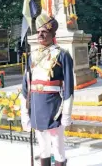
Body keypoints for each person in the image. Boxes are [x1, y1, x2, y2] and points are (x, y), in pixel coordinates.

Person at [20, 11, 74, 166]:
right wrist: (25, 113)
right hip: (36, 105)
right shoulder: (33, 55)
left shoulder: (62, 55)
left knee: (58, 146)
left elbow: (69, 88)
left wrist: (67, 114)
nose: (40, 35)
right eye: (38, 32)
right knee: (42, 146)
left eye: (44, 32)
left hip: (54, 106)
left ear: (52, 33)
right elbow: (26, 87)